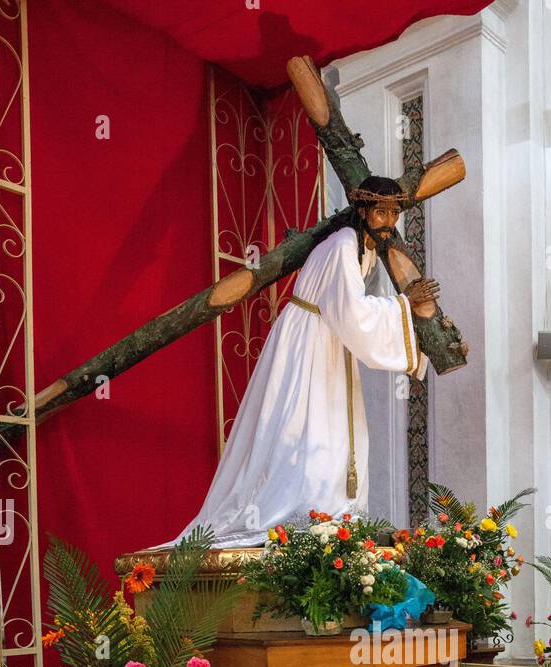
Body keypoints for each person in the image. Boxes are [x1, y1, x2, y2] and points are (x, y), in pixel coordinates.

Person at [156, 177, 437, 546]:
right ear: (364, 212)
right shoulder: (343, 245)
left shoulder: (364, 250)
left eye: (393, 214)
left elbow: (351, 315)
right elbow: (354, 316)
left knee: (330, 434)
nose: (388, 221)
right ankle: (305, 519)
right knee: (305, 435)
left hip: (328, 340)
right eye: (381, 212)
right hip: (310, 344)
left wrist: (402, 309)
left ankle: (328, 519)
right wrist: (405, 305)